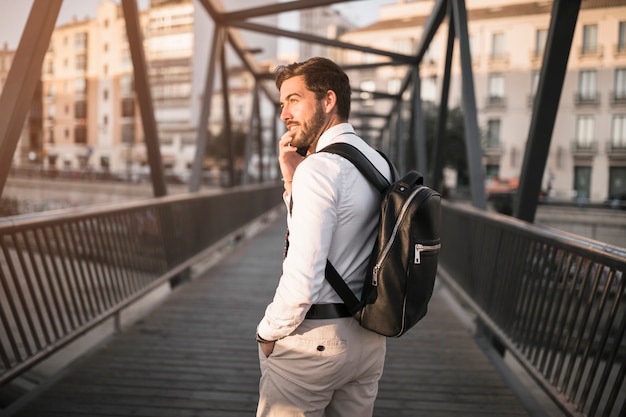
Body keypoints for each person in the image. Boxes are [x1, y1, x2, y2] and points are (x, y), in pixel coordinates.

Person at [255, 57, 393, 417]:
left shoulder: (319, 169)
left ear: (328, 101)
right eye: (282, 103)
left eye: (294, 99)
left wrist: (268, 333)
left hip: (312, 344)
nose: (284, 112)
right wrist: (291, 179)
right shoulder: (378, 162)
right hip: (368, 340)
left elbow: (303, 275)